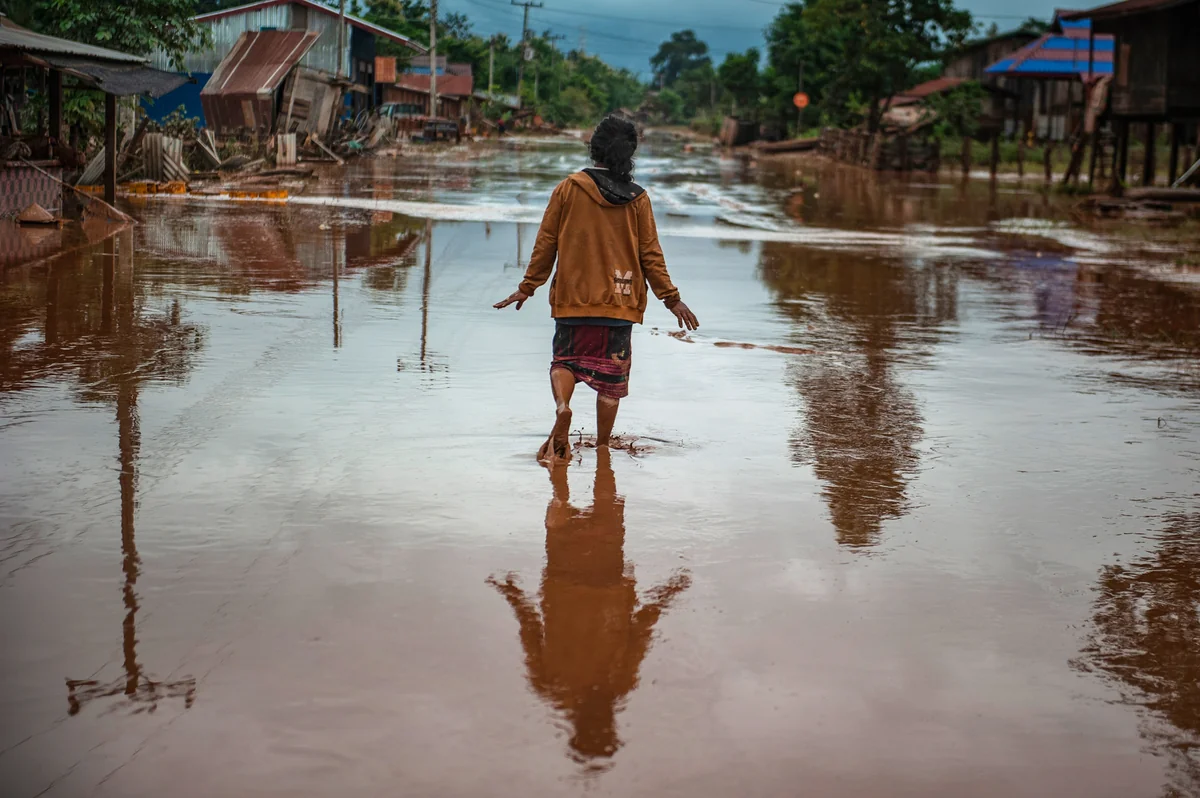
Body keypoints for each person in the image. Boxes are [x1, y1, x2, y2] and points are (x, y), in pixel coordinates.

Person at [494, 114, 699, 462]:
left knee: (565, 362)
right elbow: (650, 254)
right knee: (610, 382)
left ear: (594, 149)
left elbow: (546, 243)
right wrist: (671, 298)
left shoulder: (569, 189)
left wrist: (527, 288)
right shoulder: (639, 199)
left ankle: (563, 407)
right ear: (629, 153)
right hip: (619, 303)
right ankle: (603, 448)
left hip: (573, 300)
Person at [487, 448, 691, 769]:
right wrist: (666, 593)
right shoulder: (603, 683)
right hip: (590, 577)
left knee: (586, 497)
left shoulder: (565, 684)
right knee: (571, 501)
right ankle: (581, 452)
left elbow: (530, 628)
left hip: (581, 578)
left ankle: (565, 448)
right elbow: (640, 629)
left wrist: (513, 594)